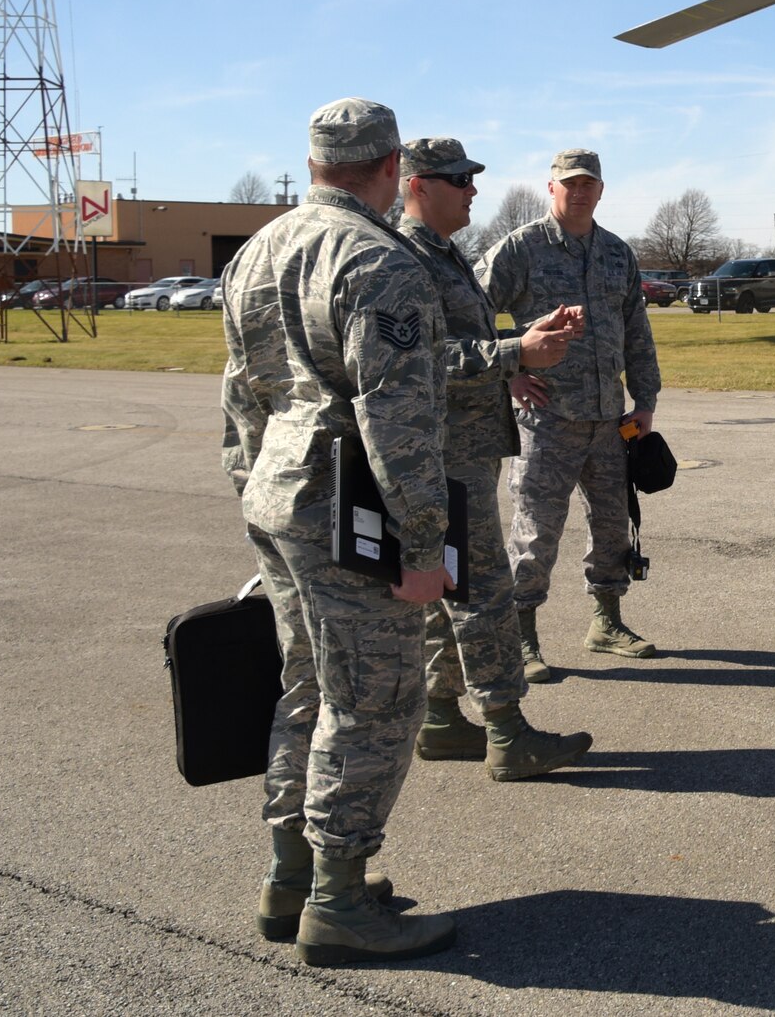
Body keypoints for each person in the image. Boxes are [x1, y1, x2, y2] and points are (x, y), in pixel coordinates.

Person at [219, 97, 457, 966]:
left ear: (315, 163)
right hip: (347, 508)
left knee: (308, 685)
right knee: (377, 698)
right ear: (392, 164)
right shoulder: (377, 259)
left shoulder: (258, 249)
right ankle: (340, 902)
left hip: (278, 495)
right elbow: (398, 420)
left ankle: (291, 880)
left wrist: (252, 492)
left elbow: (240, 395)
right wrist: (424, 549)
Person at [394, 137, 596, 780]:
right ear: (418, 184)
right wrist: (513, 357)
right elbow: (413, 361)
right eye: (458, 179)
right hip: (446, 455)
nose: (472, 189)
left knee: (450, 589)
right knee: (483, 593)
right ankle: (508, 733)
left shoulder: (445, 255)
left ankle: (440, 717)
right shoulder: (404, 261)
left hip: (464, 449)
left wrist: (522, 342)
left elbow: (462, 343)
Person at [480, 148, 662, 672]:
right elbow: (466, 312)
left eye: (589, 184)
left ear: (601, 190)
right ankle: (521, 638)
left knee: (612, 525)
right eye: (569, 183)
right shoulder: (521, 248)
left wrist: (645, 401)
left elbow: (636, 331)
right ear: (551, 187)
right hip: (547, 419)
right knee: (536, 532)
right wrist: (508, 369)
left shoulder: (615, 253)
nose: (579, 192)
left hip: (609, 420)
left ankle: (606, 623)